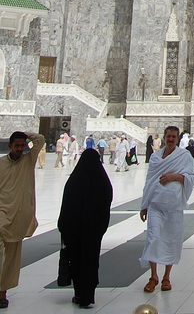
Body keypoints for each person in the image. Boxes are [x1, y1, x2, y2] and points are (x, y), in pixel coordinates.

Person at [139, 125, 194, 294]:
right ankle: (153, 276)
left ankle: (166, 277)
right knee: (153, 238)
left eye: (173, 137)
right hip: (156, 205)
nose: (171, 139)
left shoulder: (184, 156)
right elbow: (149, 182)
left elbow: (191, 177)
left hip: (173, 207)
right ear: (164, 138)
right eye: (168, 136)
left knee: (171, 240)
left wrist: (174, 177)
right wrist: (144, 205)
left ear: (177, 139)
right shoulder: (156, 158)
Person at [57, 148, 113, 309]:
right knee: (90, 261)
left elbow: (66, 206)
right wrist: (100, 227)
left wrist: (64, 227)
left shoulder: (74, 181)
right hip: (93, 231)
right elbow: (106, 204)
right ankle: (88, 295)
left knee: (76, 261)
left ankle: (79, 293)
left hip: (74, 230)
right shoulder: (102, 181)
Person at [0, 130, 45, 308]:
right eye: (16, 145)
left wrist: (24, 134)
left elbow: (40, 139)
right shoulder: (1, 164)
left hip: (19, 214)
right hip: (2, 212)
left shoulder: (28, 160)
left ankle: (2, 292)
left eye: (22, 145)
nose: (20, 149)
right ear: (9, 146)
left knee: (12, 257)